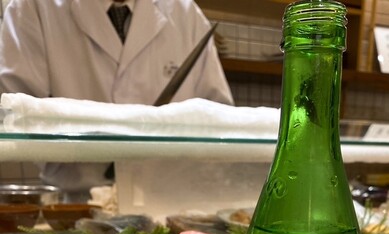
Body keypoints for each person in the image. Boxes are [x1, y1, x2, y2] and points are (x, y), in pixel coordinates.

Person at [0, 0, 233, 198]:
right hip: (76, 206)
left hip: (170, 204)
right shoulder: (34, 6)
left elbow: (220, 119)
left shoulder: (186, 13)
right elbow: (13, 116)